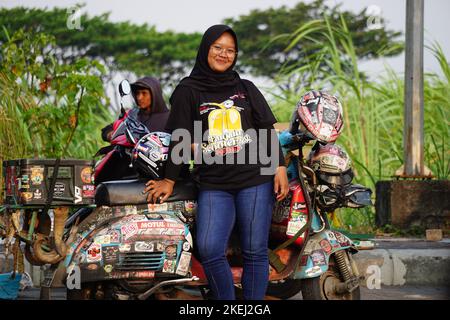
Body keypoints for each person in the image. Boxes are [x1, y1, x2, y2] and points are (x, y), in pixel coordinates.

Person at [144, 25, 289, 300]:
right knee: (210, 248)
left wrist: (279, 167)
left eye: (230, 50)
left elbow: (266, 129)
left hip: (255, 178)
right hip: (214, 183)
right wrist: (169, 179)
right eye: (218, 48)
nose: (224, 54)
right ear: (206, 49)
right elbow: (180, 138)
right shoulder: (188, 90)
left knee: (254, 249)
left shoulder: (246, 88)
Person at [101, 76, 169, 142]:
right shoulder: (132, 114)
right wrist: (110, 134)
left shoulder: (170, 118)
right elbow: (106, 130)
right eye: (137, 93)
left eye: (144, 93)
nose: (139, 98)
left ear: (155, 94)